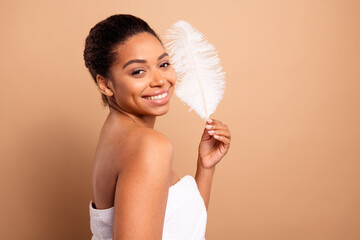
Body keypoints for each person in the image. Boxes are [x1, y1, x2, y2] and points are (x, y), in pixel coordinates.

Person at [83, 14, 231, 240]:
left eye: (163, 64)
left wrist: (206, 167)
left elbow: (182, 228)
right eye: (138, 71)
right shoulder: (149, 145)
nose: (160, 80)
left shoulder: (115, 133)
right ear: (105, 84)